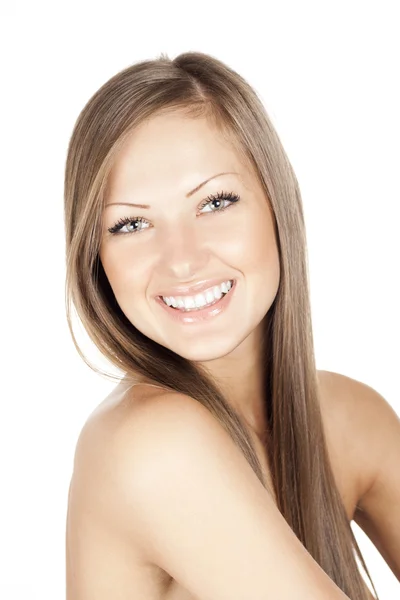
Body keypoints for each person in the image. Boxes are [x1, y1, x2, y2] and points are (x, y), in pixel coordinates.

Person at [64, 51, 392, 599]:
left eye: (215, 202)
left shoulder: (348, 418)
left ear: (276, 203)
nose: (183, 260)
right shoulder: (151, 445)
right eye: (132, 223)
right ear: (97, 257)